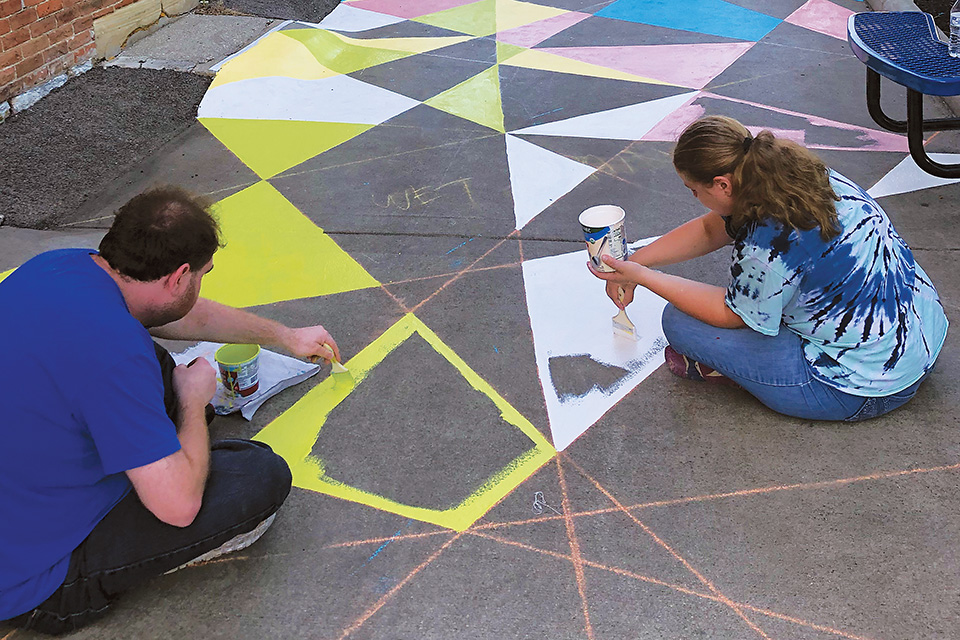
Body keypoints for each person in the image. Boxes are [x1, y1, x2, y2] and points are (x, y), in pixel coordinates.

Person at [0, 186, 342, 634]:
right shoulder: (115, 356)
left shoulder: (59, 267)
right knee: (257, 475)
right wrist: (193, 403)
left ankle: (155, 447)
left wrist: (286, 336)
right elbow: (178, 508)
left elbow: (181, 315)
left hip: (24, 474)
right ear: (180, 275)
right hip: (33, 577)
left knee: (153, 357)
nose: (201, 284)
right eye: (203, 274)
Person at [589, 115, 947, 421]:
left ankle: (743, 375)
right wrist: (636, 260)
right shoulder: (804, 177)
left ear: (722, 184)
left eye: (693, 190)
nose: (694, 199)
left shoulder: (768, 245)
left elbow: (731, 315)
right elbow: (713, 227)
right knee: (760, 299)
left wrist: (647, 278)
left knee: (679, 321)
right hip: (919, 343)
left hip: (858, 389)